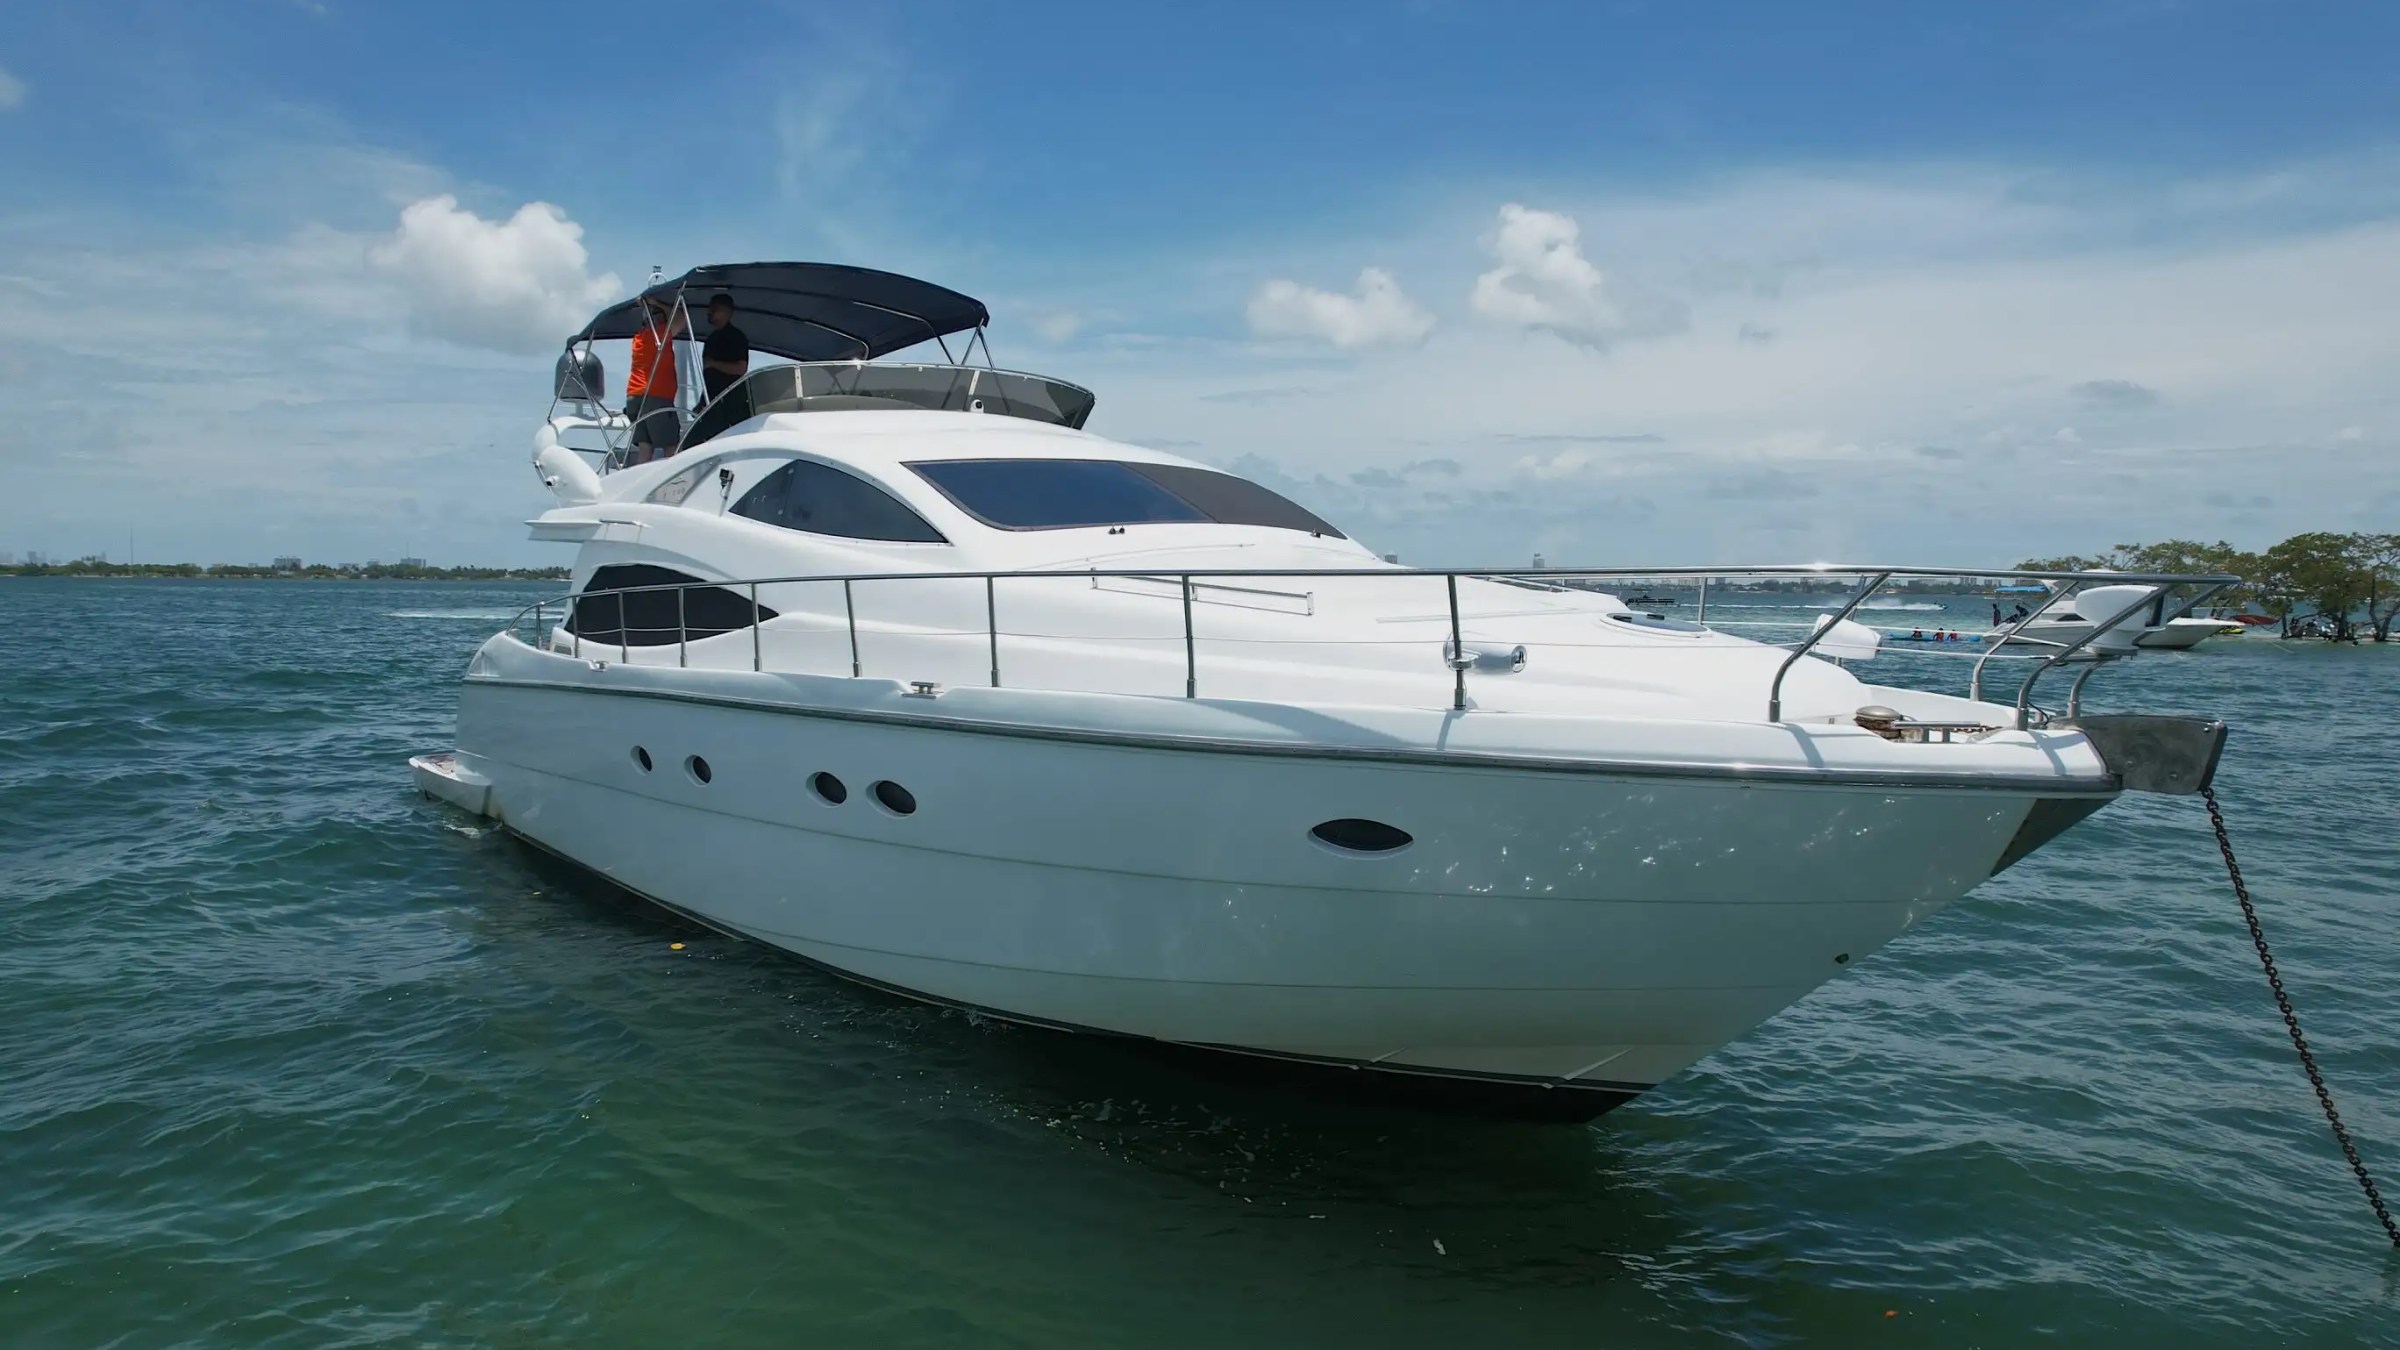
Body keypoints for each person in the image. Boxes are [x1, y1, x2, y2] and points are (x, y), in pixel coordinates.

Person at [624, 295, 685, 462]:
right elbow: (681, 318)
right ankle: (674, 484)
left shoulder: (638, 338)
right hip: (655, 397)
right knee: (671, 445)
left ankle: (639, 481)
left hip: (633, 397)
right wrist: (658, 302)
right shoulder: (658, 335)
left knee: (645, 447)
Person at [700, 292, 750, 404]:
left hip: (731, 402)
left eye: (714, 309)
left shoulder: (737, 337)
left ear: (726, 312)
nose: (709, 312)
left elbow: (741, 368)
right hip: (712, 401)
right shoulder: (711, 339)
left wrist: (713, 363)